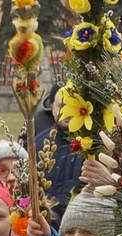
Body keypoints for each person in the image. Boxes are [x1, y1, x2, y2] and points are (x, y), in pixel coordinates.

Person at [38, 87, 84, 218]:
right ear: (53, 108)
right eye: (62, 106)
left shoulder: (91, 145)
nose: (67, 112)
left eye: (72, 107)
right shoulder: (40, 143)